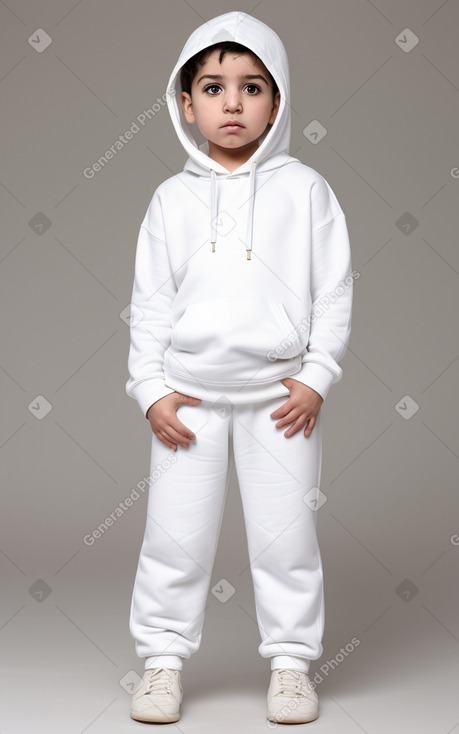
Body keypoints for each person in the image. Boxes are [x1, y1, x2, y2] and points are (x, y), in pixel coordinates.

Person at [125, 9, 354, 725]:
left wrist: (316, 377)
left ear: (277, 100)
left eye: (252, 86)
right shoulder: (170, 200)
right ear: (184, 105)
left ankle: (290, 664)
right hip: (187, 402)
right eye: (213, 87)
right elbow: (149, 305)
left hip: (279, 404)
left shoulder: (306, 191)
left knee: (285, 540)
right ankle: (161, 662)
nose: (232, 102)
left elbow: (334, 291)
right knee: (173, 537)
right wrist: (151, 390)